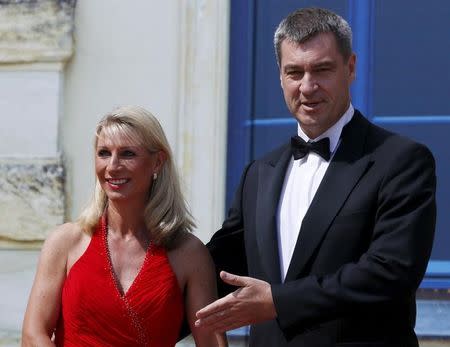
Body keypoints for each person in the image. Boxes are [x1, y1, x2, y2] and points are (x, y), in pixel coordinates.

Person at [195, 7, 436, 347]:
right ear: (279, 76)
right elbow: (214, 271)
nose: (308, 87)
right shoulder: (258, 174)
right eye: (294, 72)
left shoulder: (401, 161)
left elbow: (391, 272)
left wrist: (279, 301)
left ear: (350, 68)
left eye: (322, 70)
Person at [22, 105, 227, 347]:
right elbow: (33, 335)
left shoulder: (189, 253)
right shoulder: (65, 242)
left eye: (128, 153)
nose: (112, 166)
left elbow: (212, 343)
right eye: (104, 153)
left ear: (158, 162)